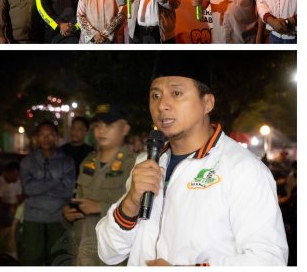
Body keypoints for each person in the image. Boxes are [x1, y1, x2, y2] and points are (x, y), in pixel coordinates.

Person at [96, 54, 288, 266]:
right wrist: (131, 201)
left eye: (176, 93)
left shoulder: (243, 169)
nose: (162, 106)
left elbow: (269, 260)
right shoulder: (147, 162)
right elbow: (108, 253)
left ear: (207, 103)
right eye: (156, 96)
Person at [63, 104, 135, 266]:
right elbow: (79, 198)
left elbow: (139, 213)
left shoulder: (134, 164)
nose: (101, 130)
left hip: (112, 254)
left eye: (108, 125)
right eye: (98, 125)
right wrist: (70, 212)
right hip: (82, 246)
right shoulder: (88, 161)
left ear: (125, 129)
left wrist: (101, 207)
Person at [19, 121, 76, 265]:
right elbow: (28, 189)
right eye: (42, 135)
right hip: (33, 218)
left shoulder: (67, 162)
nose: (46, 138)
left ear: (57, 137)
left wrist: (39, 185)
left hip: (58, 218)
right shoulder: (27, 162)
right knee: (32, 261)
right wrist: (56, 181)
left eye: (50, 134)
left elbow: (67, 191)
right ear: (37, 138)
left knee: (58, 261)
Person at [0, 161, 22, 259]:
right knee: (10, 217)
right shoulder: (0, 182)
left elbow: (20, 198)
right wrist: (11, 207)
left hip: (15, 209)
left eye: (18, 175)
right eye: (14, 175)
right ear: (7, 173)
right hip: (3, 211)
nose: (16, 177)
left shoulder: (17, 182)